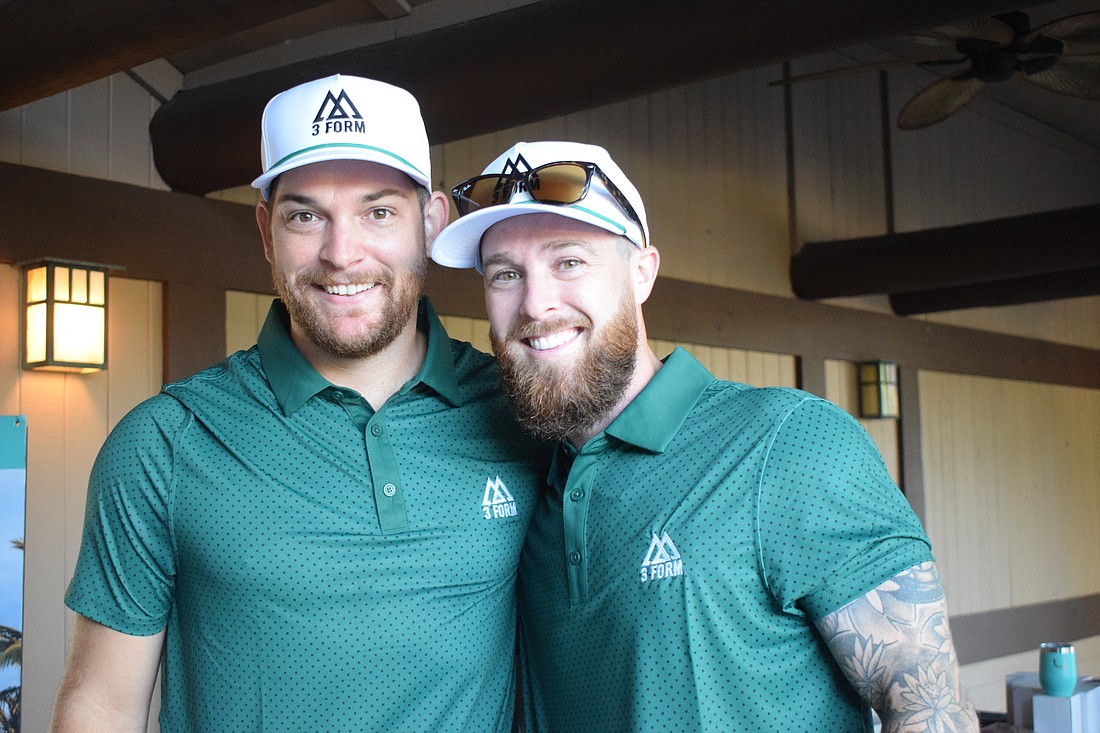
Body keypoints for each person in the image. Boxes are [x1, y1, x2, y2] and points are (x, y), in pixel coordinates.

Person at [50, 75, 547, 732]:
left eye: (378, 212)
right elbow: (101, 706)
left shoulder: (521, 416)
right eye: (305, 216)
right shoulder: (165, 443)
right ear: (266, 230)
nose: (341, 254)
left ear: (430, 221)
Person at [430, 140, 979, 732]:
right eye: (506, 274)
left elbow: (928, 705)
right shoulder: (527, 480)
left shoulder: (790, 442)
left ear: (642, 273)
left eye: (569, 262)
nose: (535, 304)